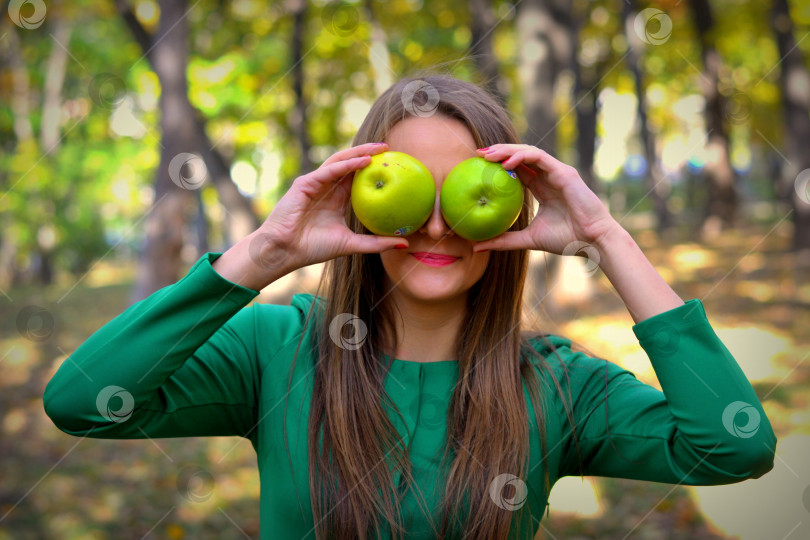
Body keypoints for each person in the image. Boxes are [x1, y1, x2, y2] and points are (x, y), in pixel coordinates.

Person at [43, 73, 776, 540]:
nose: (432, 226)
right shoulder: (278, 350)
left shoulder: (556, 386)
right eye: (409, 192)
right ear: (359, 201)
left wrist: (605, 237)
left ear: (512, 209)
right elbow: (81, 399)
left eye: (460, 195)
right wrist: (260, 257)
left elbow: (732, 446)